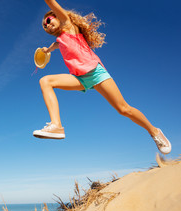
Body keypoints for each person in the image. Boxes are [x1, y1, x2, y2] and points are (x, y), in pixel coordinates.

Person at [33, 0, 171, 155]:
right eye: (45, 26)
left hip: (96, 73)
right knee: (45, 81)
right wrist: (47, 50)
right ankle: (56, 125)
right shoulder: (60, 39)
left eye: (49, 20)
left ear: (57, 16)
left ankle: (154, 131)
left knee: (124, 109)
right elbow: (56, 45)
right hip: (80, 78)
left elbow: (52, 3)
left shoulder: (68, 25)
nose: (47, 25)